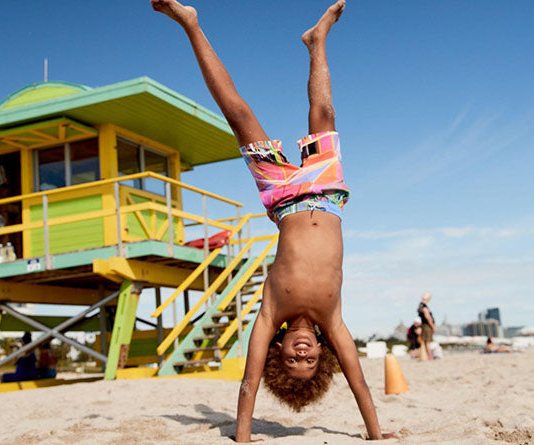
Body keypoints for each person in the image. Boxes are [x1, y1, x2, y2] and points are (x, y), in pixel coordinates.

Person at [150, 0, 395, 441]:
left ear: (276, 351)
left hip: (283, 197)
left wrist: (242, 437)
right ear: (324, 352)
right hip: (327, 194)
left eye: (291, 361)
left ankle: (189, 24)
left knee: (239, 115)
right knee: (325, 116)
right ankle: (316, 41)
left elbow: (247, 384)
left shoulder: (270, 314)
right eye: (310, 361)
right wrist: (376, 435)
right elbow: (360, 383)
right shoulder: (334, 320)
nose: (301, 356)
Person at [417, 292, 435, 361]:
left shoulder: (420, 306)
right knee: (428, 342)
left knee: (424, 341)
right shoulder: (424, 307)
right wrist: (432, 326)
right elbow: (428, 317)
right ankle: (430, 357)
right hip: (427, 325)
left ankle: (426, 356)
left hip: (423, 325)